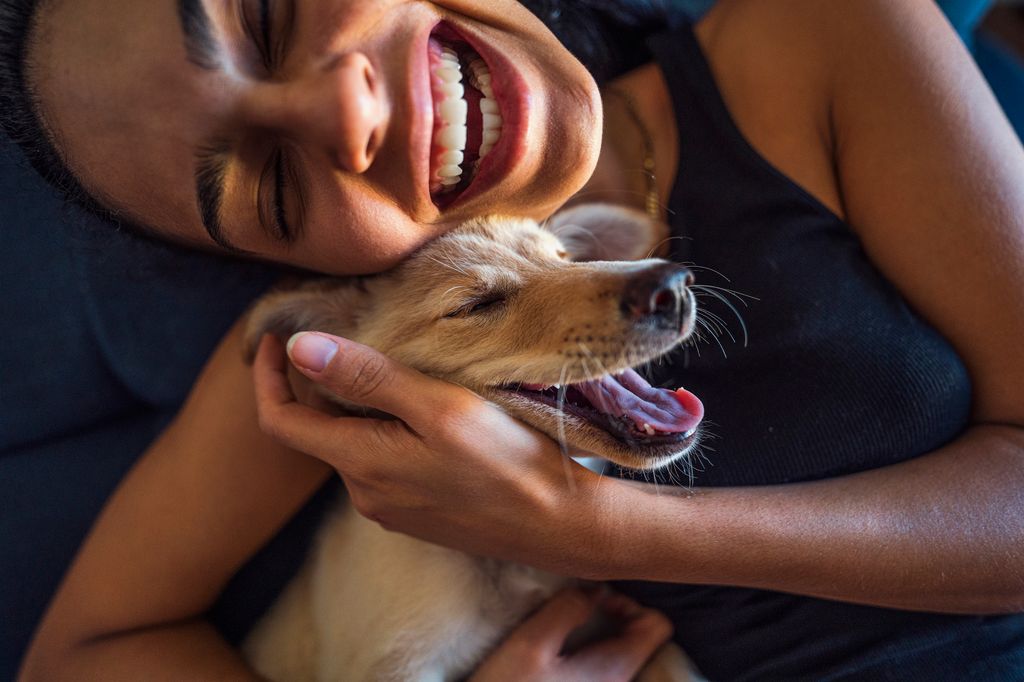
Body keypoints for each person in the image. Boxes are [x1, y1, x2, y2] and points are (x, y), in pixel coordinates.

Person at [2, 0, 1022, 680]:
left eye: (266, 13)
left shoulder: (828, 37)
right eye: (271, 184)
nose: (345, 109)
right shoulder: (342, 343)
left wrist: (586, 527)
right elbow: (87, 651)